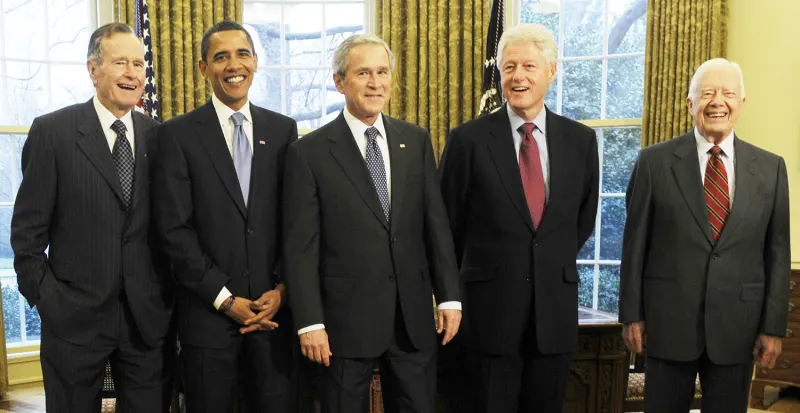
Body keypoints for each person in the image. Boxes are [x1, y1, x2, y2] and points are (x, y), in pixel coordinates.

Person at [282, 34, 462, 413]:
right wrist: (309, 322)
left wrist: (448, 296)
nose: (376, 83)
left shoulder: (414, 141)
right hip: (342, 328)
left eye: (382, 72)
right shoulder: (309, 152)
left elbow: (436, 227)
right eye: (364, 73)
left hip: (411, 322)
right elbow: (300, 248)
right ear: (339, 81)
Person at [437, 23, 599, 413]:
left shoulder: (580, 141)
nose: (518, 76)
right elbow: (446, 227)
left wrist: (542, 261)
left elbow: (581, 221)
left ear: (551, 72)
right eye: (509, 67)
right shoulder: (467, 140)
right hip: (488, 319)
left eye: (529, 65)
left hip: (553, 317)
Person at [10, 23, 172, 412]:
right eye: (121, 62)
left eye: (139, 63)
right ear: (93, 69)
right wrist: (49, 301)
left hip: (145, 323)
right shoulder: (53, 132)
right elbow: (27, 237)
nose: (133, 73)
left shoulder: (160, 137)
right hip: (73, 322)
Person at [619, 58, 790, 413]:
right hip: (668, 325)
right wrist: (631, 314)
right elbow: (634, 244)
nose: (718, 101)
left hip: (738, 328)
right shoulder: (653, 162)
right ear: (690, 103)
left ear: (742, 103)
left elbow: (777, 252)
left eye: (728, 93)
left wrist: (773, 328)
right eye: (707, 93)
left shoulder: (771, 169)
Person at [152, 20, 297, 412]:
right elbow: (174, 230)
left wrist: (282, 291)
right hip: (208, 322)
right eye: (221, 57)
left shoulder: (283, 131)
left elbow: (296, 223)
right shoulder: (177, 135)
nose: (234, 65)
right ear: (203, 68)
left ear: (255, 61)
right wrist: (225, 298)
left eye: (242, 54)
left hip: (273, 321)